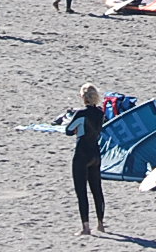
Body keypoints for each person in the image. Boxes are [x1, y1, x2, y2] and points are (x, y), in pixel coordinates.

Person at [65, 84, 109, 236]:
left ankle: (85, 227)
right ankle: (101, 224)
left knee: (81, 191)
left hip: (82, 153)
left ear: (82, 97)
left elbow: (68, 131)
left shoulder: (81, 113)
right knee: (97, 189)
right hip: (95, 153)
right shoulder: (100, 113)